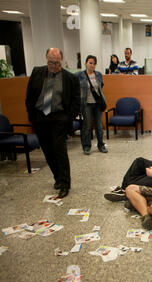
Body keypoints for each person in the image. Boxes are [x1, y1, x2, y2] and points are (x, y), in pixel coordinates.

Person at [25, 48, 80, 198]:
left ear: (61, 61)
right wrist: (32, 116)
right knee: (48, 151)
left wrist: (68, 118)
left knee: (59, 151)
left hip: (59, 118)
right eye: (51, 62)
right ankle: (57, 178)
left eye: (57, 63)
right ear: (46, 59)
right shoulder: (37, 72)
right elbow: (29, 96)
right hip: (41, 117)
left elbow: (76, 101)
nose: (54, 66)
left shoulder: (70, 78)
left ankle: (65, 184)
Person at [76, 55, 108, 155]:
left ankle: (101, 145)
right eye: (90, 63)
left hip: (98, 103)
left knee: (99, 125)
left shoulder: (98, 74)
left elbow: (101, 86)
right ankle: (86, 146)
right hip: (86, 104)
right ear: (86, 63)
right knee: (87, 125)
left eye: (94, 63)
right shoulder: (79, 75)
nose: (92, 65)